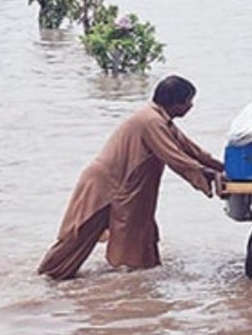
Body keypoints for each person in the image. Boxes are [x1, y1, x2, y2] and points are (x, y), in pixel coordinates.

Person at [37, 76, 225, 280]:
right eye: (188, 101)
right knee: (78, 236)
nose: (191, 106)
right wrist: (210, 174)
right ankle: (44, 279)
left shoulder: (161, 120)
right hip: (107, 185)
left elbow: (193, 151)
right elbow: (175, 157)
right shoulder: (151, 121)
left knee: (142, 237)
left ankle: (136, 286)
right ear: (175, 102)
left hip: (128, 188)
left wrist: (226, 168)